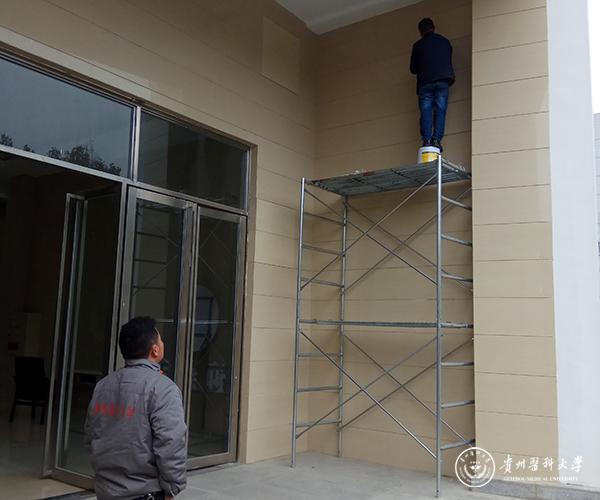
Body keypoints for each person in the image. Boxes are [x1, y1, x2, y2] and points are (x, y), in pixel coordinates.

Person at [84, 317, 187, 500]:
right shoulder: (163, 388)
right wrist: (172, 488)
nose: (162, 343)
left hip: (106, 490)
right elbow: (171, 443)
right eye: (160, 340)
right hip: (145, 493)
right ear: (155, 349)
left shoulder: (103, 385)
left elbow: (91, 435)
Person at [410, 17, 455, 151]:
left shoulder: (418, 45)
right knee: (440, 110)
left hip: (425, 82)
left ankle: (427, 140)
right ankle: (436, 140)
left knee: (426, 110)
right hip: (442, 80)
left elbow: (413, 69)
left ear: (420, 31)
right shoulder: (445, 42)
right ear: (433, 28)